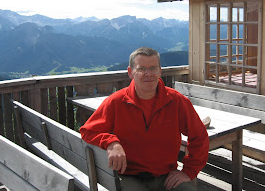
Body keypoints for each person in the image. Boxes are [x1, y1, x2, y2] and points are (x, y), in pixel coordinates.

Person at [80, 47, 209, 191]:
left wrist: (188, 171)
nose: (148, 74)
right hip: (128, 176)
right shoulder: (116, 101)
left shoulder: (176, 101)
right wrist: (111, 143)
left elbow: (200, 136)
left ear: (160, 71)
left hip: (166, 176)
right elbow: (88, 132)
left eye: (153, 68)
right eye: (141, 69)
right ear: (130, 72)